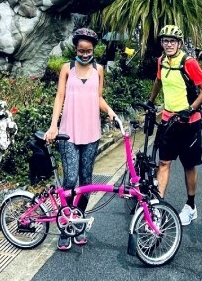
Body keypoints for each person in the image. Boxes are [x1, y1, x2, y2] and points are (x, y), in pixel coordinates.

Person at [45, 27, 117, 251]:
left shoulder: (99, 70)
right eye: (80, 50)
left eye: (88, 51)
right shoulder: (67, 69)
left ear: (94, 49)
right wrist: (53, 126)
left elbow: (98, 97)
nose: (84, 54)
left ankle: (79, 221)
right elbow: (59, 97)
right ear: (75, 49)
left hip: (91, 134)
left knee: (86, 183)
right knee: (70, 180)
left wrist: (111, 112)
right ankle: (66, 225)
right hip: (68, 134)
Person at [147, 25, 202, 226]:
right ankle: (158, 207)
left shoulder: (188, 62)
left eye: (172, 41)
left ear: (180, 44)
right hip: (168, 120)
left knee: (189, 165)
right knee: (164, 163)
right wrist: (151, 101)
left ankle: (191, 206)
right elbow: (159, 80)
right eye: (165, 41)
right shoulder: (161, 61)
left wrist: (191, 109)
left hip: (189, 123)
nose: (169, 44)